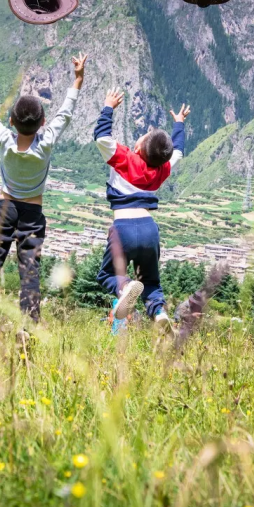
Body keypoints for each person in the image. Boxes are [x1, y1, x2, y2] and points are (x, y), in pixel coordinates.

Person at [0, 50, 87, 332]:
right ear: (43, 122)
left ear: (11, 121)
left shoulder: (4, 139)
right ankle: (28, 327)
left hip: (4, 210)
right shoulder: (46, 143)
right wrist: (78, 79)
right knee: (29, 271)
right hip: (32, 213)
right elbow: (66, 112)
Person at [94, 87, 189, 328]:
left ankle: (125, 287)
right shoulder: (161, 171)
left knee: (107, 275)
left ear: (138, 148)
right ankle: (160, 315)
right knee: (151, 282)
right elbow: (177, 151)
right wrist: (179, 124)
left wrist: (108, 107)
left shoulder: (124, 159)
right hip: (149, 229)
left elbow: (102, 137)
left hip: (123, 228)